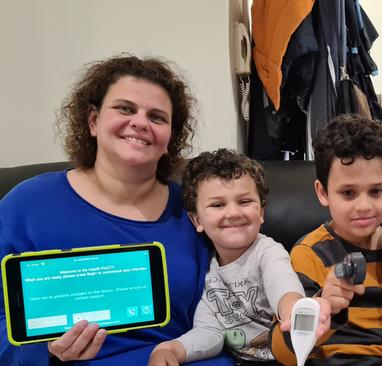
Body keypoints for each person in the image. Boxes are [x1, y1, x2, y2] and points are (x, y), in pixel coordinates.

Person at [0, 55, 233, 365]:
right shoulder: (26, 205)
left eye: (157, 117)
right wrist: (44, 352)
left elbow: (241, 290)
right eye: (125, 109)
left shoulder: (196, 211)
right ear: (93, 121)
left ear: (169, 140)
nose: (140, 122)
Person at [148, 149, 331, 366]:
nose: (233, 213)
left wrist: (292, 309)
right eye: (217, 205)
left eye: (244, 202)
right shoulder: (204, 271)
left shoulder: (268, 252)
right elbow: (210, 332)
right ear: (196, 220)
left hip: (291, 357)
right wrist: (171, 349)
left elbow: (282, 284)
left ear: (261, 212)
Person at [271, 115, 382, 365]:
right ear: (322, 192)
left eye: (376, 191)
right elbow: (284, 352)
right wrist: (322, 306)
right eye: (348, 193)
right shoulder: (310, 253)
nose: (363, 206)